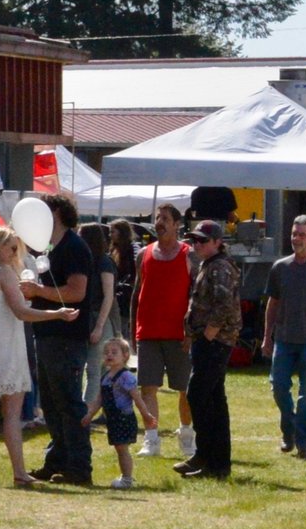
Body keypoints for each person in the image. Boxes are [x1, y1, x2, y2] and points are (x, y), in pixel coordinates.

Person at [0, 226, 72, 487]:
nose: (15, 253)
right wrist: (57, 313)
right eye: (12, 247)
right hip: (5, 346)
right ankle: (19, 472)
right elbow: (21, 312)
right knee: (12, 412)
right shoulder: (3, 274)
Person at [22, 194, 99, 486]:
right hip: (49, 333)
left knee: (68, 403)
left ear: (56, 214)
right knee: (53, 404)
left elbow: (77, 292)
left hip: (66, 337)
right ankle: (57, 461)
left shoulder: (74, 247)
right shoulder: (52, 248)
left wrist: (37, 291)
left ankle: (80, 468)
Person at [262, 216, 306, 459]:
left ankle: (304, 443)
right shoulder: (280, 267)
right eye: (294, 234)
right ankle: (288, 429)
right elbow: (272, 303)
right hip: (284, 338)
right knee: (279, 387)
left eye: (302, 235)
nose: (296, 239)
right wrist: (266, 337)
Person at [177, 220, 240, 479]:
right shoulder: (209, 265)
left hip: (215, 340)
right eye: (195, 240)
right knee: (213, 399)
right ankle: (216, 463)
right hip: (206, 339)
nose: (197, 244)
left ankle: (206, 455)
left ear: (217, 242)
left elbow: (224, 302)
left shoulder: (220, 267)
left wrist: (211, 330)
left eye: (203, 240)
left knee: (199, 395)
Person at [131, 204, 193, 460]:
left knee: (185, 388)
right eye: (157, 218)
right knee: (148, 388)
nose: (159, 222)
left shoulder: (189, 255)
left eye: (165, 218)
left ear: (177, 224)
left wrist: (191, 330)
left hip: (179, 333)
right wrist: (132, 328)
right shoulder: (143, 253)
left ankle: (187, 434)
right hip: (148, 331)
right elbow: (137, 292)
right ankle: (152, 439)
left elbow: (195, 296)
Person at [83, 337, 141, 491]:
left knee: (122, 449)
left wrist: (146, 415)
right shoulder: (105, 378)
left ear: (125, 355)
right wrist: (89, 415)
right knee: (119, 448)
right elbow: (99, 400)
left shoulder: (126, 377)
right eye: (106, 352)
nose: (109, 355)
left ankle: (127, 479)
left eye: (114, 352)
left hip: (123, 418)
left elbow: (137, 397)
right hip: (113, 420)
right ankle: (126, 476)